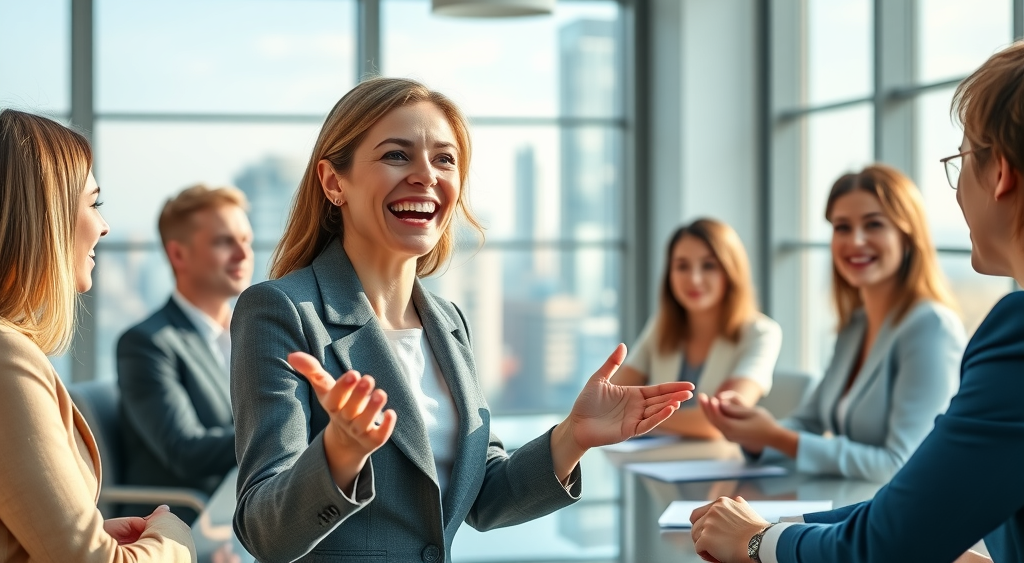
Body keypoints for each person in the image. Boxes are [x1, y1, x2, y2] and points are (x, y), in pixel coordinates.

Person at [229, 78, 694, 563]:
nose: (426, 175)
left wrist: (572, 436)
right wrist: (340, 453)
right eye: (396, 155)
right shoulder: (280, 311)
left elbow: (484, 499)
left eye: (444, 159)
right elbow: (264, 533)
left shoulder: (448, 323)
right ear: (333, 182)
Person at [689, 41, 1024, 563]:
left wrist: (758, 541)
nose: (957, 190)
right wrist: (768, 520)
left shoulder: (999, 333)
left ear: (1000, 173)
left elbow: (887, 534)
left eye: (961, 160)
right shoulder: (856, 325)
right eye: (842, 228)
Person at [0, 109, 195, 562]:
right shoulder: (8, 358)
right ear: (46, 217)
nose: (103, 226)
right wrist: (175, 539)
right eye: (94, 204)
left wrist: (90, 531)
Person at [700, 165, 965, 483]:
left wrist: (776, 437)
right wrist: (753, 431)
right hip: (856, 509)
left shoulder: (931, 328)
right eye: (842, 227)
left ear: (908, 237)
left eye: (874, 225)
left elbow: (900, 463)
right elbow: (808, 422)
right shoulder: (856, 325)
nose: (855, 240)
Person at [116, 185, 254, 523]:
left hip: (244, 514)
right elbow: (185, 450)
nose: (243, 253)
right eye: (224, 242)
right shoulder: (147, 343)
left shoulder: (251, 334)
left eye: (246, 240)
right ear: (178, 255)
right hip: (182, 525)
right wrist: (279, 424)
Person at [611, 218, 781, 439]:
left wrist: (635, 414)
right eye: (682, 266)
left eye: (709, 265)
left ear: (731, 272)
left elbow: (720, 422)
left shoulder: (762, 333)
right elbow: (612, 399)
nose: (694, 279)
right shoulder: (661, 324)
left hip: (718, 465)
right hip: (652, 461)